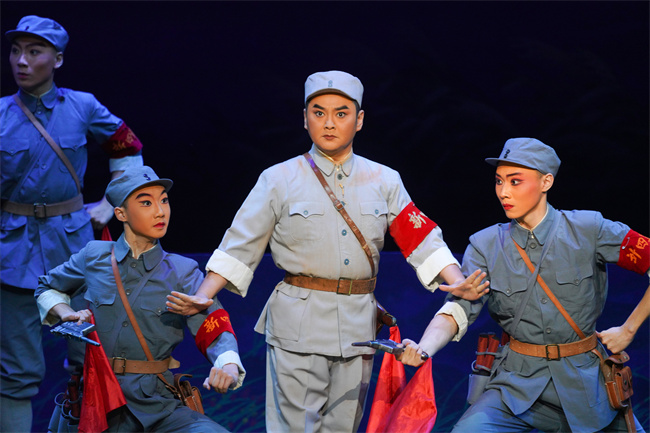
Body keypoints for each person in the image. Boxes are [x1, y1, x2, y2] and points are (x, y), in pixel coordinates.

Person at [166, 70, 489, 432]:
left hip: (358, 325)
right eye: (318, 113)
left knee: (343, 427)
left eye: (341, 113)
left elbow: (421, 237)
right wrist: (204, 294)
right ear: (305, 119)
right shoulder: (278, 179)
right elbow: (240, 244)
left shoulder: (384, 180)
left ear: (359, 120)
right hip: (298, 324)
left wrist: (457, 281)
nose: (329, 123)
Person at [398, 137, 650, 432]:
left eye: (515, 181)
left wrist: (628, 329)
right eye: (499, 181)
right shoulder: (485, 245)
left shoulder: (589, 229)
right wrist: (424, 348)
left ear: (546, 182)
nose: (503, 192)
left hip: (587, 387)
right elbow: (459, 308)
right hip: (515, 387)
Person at [0, 15, 144, 431]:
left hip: (75, 248)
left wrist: (111, 203)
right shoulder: (3, 114)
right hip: (12, 251)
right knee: (14, 373)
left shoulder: (82, 106)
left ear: (57, 59)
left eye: (34, 51)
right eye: (15, 51)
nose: (21, 61)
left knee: (89, 359)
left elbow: (128, 147)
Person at [35, 166, 245, 432]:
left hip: (157, 403)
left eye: (164, 201)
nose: (160, 211)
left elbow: (212, 323)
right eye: (146, 203)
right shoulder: (93, 256)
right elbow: (46, 287)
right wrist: (66, 313)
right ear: (121, 214)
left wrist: (228, 365)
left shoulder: (182, 271)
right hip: (97, 401)